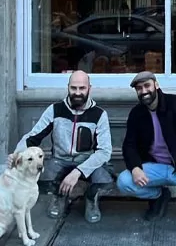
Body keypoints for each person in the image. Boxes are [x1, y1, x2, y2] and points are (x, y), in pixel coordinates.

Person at [11, 70, 113, 223]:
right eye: (73, 88)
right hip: (60, 160)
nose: (77, 92)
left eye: (82, 88)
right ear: (68, 88)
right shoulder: (55, 109)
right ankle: (58, 197)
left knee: (105, 180)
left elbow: (104, 152)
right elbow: (33, 137)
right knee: (40, 175)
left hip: (86, 161)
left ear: (89, 88)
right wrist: (16, 155)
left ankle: (91, 199)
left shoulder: (99, 114)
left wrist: (78, 172)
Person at [116, 71, 176, 224]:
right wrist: (135, 168)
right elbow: (129, 145)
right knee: (124, 181)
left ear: (156, 85)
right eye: (139, 88)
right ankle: (158, 196)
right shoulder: (136, 113)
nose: (144, 91)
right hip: (154, 166)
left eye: (147, 85)